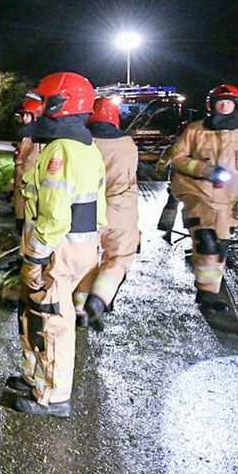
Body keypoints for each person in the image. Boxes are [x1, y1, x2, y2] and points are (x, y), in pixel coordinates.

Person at [9, 72, 106, 418]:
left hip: (56, 250)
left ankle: (51, 396)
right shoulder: (86, 146)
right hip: (76, 247)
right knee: (36, 312)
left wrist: (36, 256)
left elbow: (53, 217)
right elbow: (100, 208)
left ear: (61, 104)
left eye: (45, 101)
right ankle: (34, 378)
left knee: (50, 319)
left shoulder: (59, 151)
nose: (40, 109)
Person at [165, 84, 238, 310]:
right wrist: (205, 170)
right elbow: (176, 159)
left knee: (219, 247)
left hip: (227, 203)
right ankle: (207, 293)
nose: (224, 105)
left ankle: (208, 291)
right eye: (220, 101)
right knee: (206, 241)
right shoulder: (196, 130)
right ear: (211, 105)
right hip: (197, 195)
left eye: (229, 102)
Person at [74, 96, 139, 331]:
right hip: (120, 210)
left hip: (88, 209)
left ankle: (79, 310)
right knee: (119, 257)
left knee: (87, 259)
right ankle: (100, 298)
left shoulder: (82, 143)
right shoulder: (128, 144)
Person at [11, 97, 44, 238]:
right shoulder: (26, 137)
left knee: (27, 226)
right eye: (23, 115)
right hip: (21, 190)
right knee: (21, 225)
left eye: (27, 115)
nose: (23, 119)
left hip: (28, 192)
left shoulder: (37, 141)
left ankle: (25, 256)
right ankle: (22, 255)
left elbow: (27, 168)